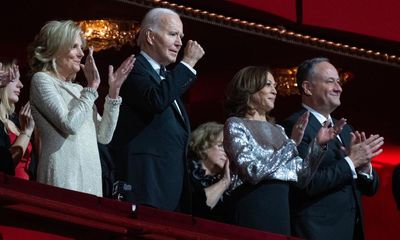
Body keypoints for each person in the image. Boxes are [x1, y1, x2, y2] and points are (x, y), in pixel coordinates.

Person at [223, 66, 345, 235]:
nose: (275, 91)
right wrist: (292, 144)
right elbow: (253, 171)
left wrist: (317, 145)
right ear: (250, 88)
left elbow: (301, 178)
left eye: (274, 86)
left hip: (280, 210)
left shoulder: (279, 130)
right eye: (268, 85)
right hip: (252, 205)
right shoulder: (236, 124)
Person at [110, 7, 205, 212]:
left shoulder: (166, 78)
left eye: (181, 36)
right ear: (150, 37)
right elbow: (156, 100)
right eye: (172, 34)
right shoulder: (134, 68)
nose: (179, 43)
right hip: (145, 186)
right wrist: (187, 63)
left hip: (170, 192)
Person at [28, 20, 135, 196]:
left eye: (81, 47)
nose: (81, 53)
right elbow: (69, 123)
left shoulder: (79, 90)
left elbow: (104, 136)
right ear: (56, 49)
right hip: (63, 176)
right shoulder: (42, 80)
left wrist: (114, 91)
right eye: (74, 47)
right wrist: (92, 87)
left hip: (90, 177)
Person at [281, 57, 383, 240]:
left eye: (338, 81)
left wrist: (364, 167)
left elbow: (370, 188)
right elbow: (306, 184)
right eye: (330, 81)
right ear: (307, 88)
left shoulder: (345, 129)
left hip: (350, 231)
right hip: (316, 232)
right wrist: (351, 162)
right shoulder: (295, 126)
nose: (339, 88)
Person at [0, 61, 37, 179]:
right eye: (14, 79)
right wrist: (26, 132)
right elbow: (5, 163)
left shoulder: (17, 121)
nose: (21, 85)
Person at [188, 122, 231, 221]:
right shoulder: (185, 176)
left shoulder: (229, 189)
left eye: (228, 148)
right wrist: (224, 182)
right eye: (221, 146)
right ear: (203, 146)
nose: (227, 152)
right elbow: (195, 211)